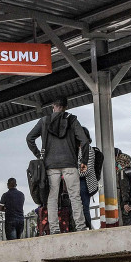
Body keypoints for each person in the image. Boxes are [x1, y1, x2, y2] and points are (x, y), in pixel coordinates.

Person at [26, 96, 89, 234]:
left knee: (52, 198)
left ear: (53, 106)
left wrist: (39, 155)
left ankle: (54, 230)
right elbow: (84, 141)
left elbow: (29, 138)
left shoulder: (44, 121)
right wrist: (83, 160)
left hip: (50, 165)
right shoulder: (72, 120)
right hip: (70, 164)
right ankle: (81, 227)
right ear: (66, 107)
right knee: (75, 197)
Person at [78, 127, 101, 229]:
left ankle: (87, 228)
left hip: (85, 183)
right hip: (78, 181)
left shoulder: (88, 150)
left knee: (84, 208)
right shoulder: (77, 149)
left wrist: (71, 173)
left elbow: (85, 171)